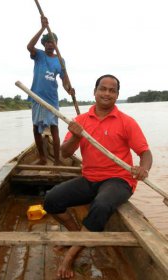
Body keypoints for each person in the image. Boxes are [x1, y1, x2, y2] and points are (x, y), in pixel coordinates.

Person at [44, 74, 153, 279]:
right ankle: (78, 237)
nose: (107, 93)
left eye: (112, 90)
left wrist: (143, 168)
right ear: (94, 92)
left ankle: (71, 254)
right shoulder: (80, 121)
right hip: (90, 178)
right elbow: (65, 154)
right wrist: (76, 135)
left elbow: (145, 153)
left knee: (101, 205)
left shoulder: (126, 122)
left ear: (117, 95)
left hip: (119, 179)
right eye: (103, 89)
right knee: (51, 199)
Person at [27, 16, 74, 165]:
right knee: (36, 128)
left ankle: (57, 160)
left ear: (56, 44)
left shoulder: (60, 60)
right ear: (44, 44)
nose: (50, 45)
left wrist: (69, 90)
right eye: (47, 42)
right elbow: (29, 47)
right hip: (37, 96)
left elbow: (64, 80)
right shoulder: (39, 55)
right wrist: (42, 27)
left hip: (52, 98)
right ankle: (42, 157)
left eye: (52, 42)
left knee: (54, 127)